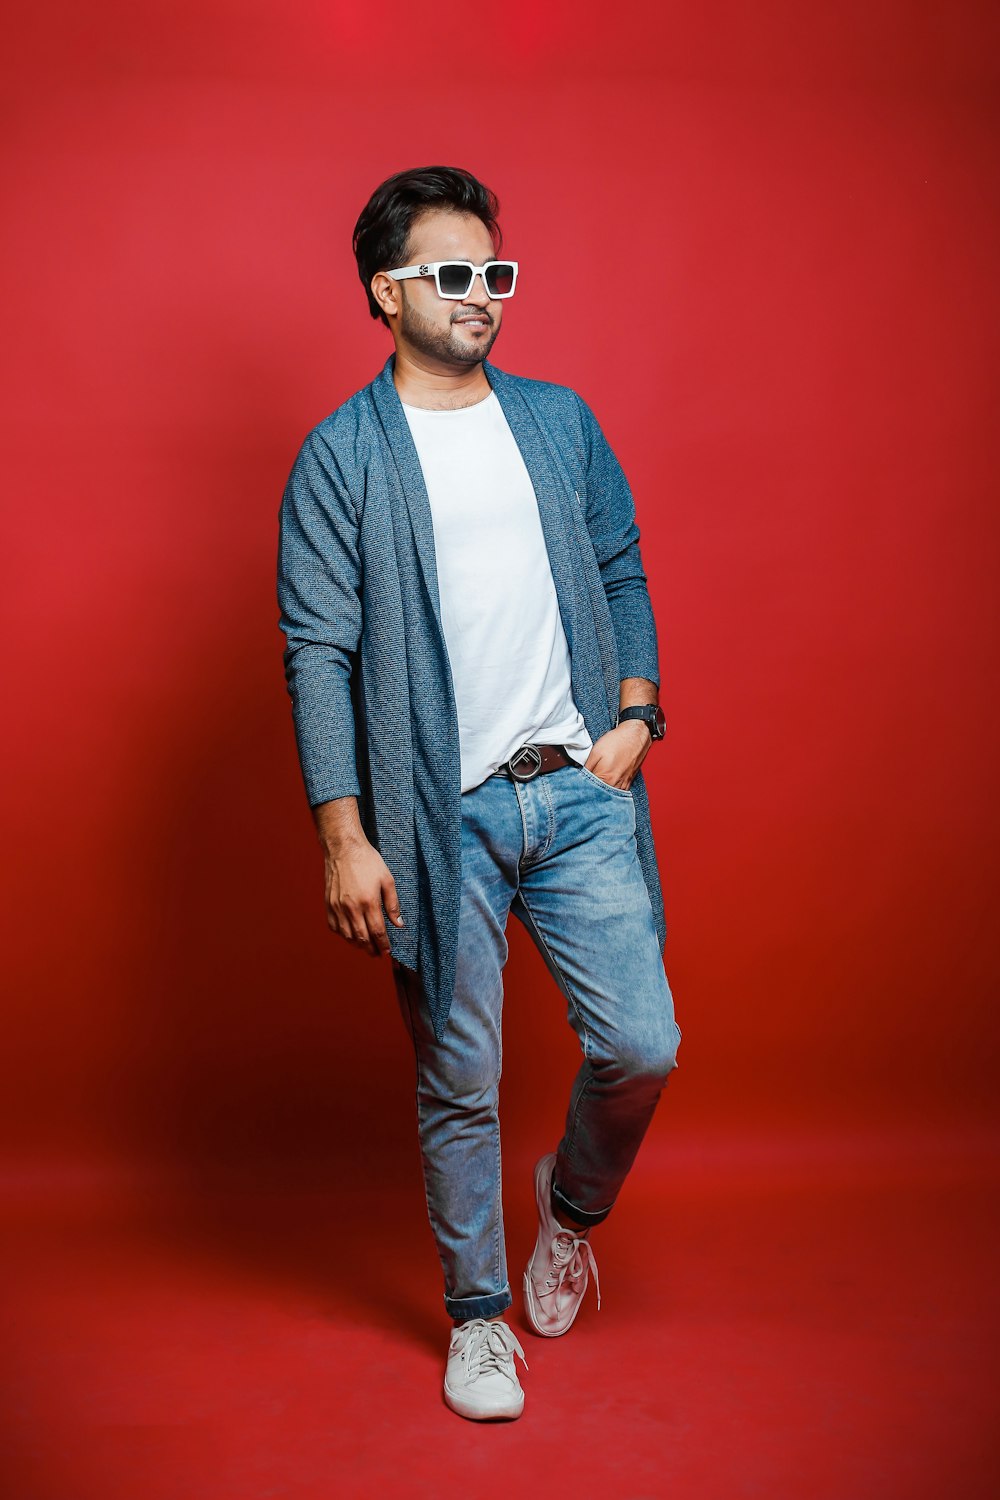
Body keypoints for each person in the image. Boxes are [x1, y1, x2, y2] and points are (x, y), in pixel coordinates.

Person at [276, 165, 682, 1422]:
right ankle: (476, 1321)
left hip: (573, 789)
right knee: (459, 1076)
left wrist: (634, 715)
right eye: (452, 275)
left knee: (638, 1044)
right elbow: (318, 650)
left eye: (495, 273)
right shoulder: (342, 456)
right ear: (383, 293)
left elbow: (619, 567)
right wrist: (345, 837)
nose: (481, 296)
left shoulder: (557, 422)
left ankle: (570, 1208)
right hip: (435, 815)